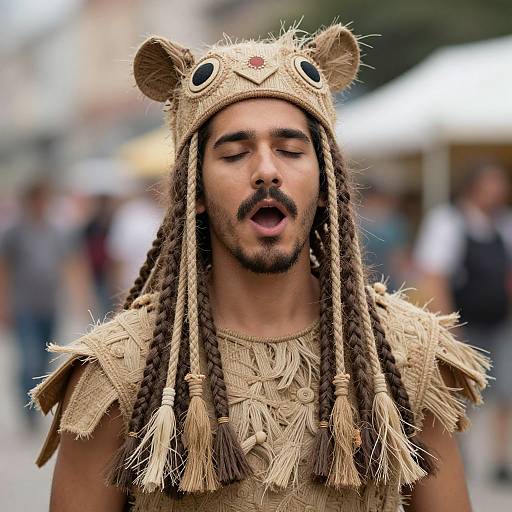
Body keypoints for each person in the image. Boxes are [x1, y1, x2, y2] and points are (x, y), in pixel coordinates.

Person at [30, 25, 490, 511]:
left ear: (325, 177)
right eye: (234, 153)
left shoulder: (402, 357)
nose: (267, 170)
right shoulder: (121, 372)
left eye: (291, 151)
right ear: (197, 190)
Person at [414, 162, 512, 483]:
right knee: (458, 399)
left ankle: (500, 460)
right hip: (463, 326)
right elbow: (434, 276)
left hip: (499, 323)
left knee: (506, 395)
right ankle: (459, 458)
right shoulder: (448, 221)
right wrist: (449, 327)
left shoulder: (503, 225)